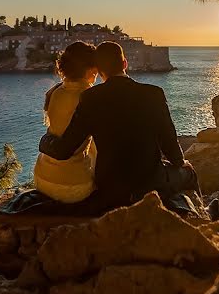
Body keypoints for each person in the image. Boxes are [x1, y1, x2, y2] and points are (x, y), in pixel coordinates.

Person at [38, 41, 199, 210]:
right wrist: (180, 162)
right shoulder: (154, 94)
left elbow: (66, 148)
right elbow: (169, 142)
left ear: (99, 71)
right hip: (150, 184)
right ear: (125, 64)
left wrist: (44, 141)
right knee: (190, 174)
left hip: (110, 188)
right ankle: (202, 214)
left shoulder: (90, 98)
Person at [32, 42, 98, 203]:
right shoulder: (91, 97)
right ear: (91, 69)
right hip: (73, 187)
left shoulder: (54, 92)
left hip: (41, 178)